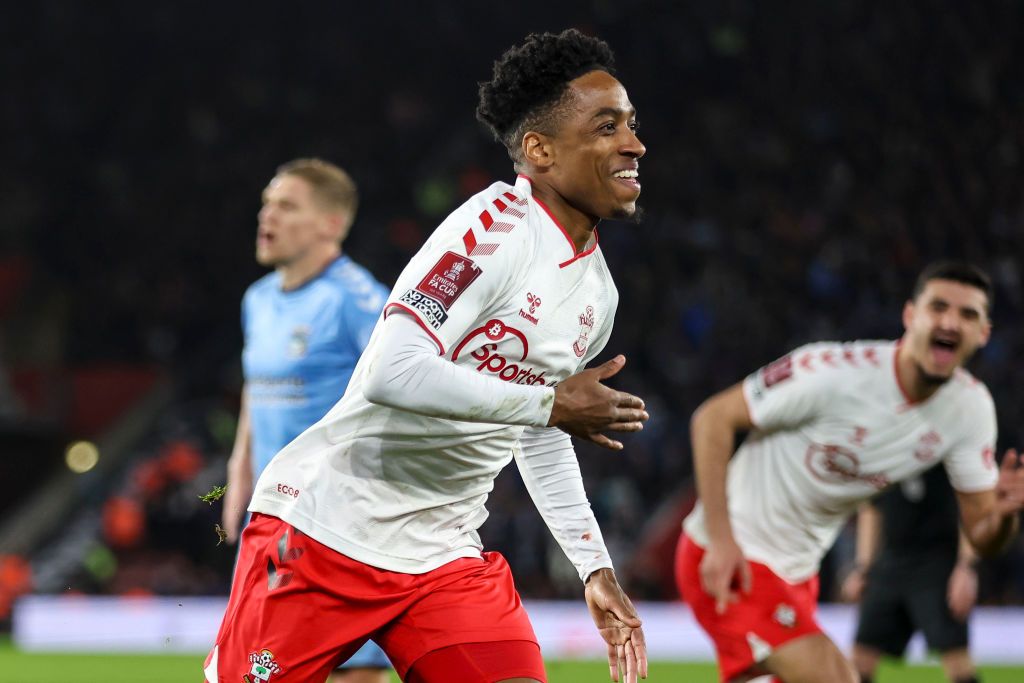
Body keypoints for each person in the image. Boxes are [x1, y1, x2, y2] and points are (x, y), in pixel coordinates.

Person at [205, 29, 650, 683]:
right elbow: (393, 369)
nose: (633, 144)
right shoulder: (493, 230)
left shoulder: (596, 294)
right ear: (540, 150)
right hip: (325, 530)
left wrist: (593, 564)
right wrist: (549, 401)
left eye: (632, 125)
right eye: (607, 126)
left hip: (442, 556)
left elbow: (543, 427)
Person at [675, 261, 1024, 683]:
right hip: (732, 560)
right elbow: (712, 419)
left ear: (984, 333)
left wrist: (1004, 515)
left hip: (797, 576)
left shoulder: (969, 411)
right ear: (911, 316)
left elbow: (983, 537)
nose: (951, 321)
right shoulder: (831, 373)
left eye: (968, 314)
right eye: (938, 307)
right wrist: (722, 539)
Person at [221, 158, 392, 683]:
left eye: (287, 205)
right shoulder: (258, 300)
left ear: (331, 224)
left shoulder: (360, 302)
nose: (266, 215)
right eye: (267, 203)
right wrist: (238, 473)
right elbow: (255, 389)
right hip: (271, 520)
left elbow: (412, 390)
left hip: (339, 527)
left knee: (351, 675)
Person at [841, 465, 982, 683]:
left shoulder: (945, 449)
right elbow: (871, 508)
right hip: (889, 565)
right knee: (860, 660)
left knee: (957, 663)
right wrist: (863, 568)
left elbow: (971, 506)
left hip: (938, 566)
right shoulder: (885, 452)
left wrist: (965, 567)